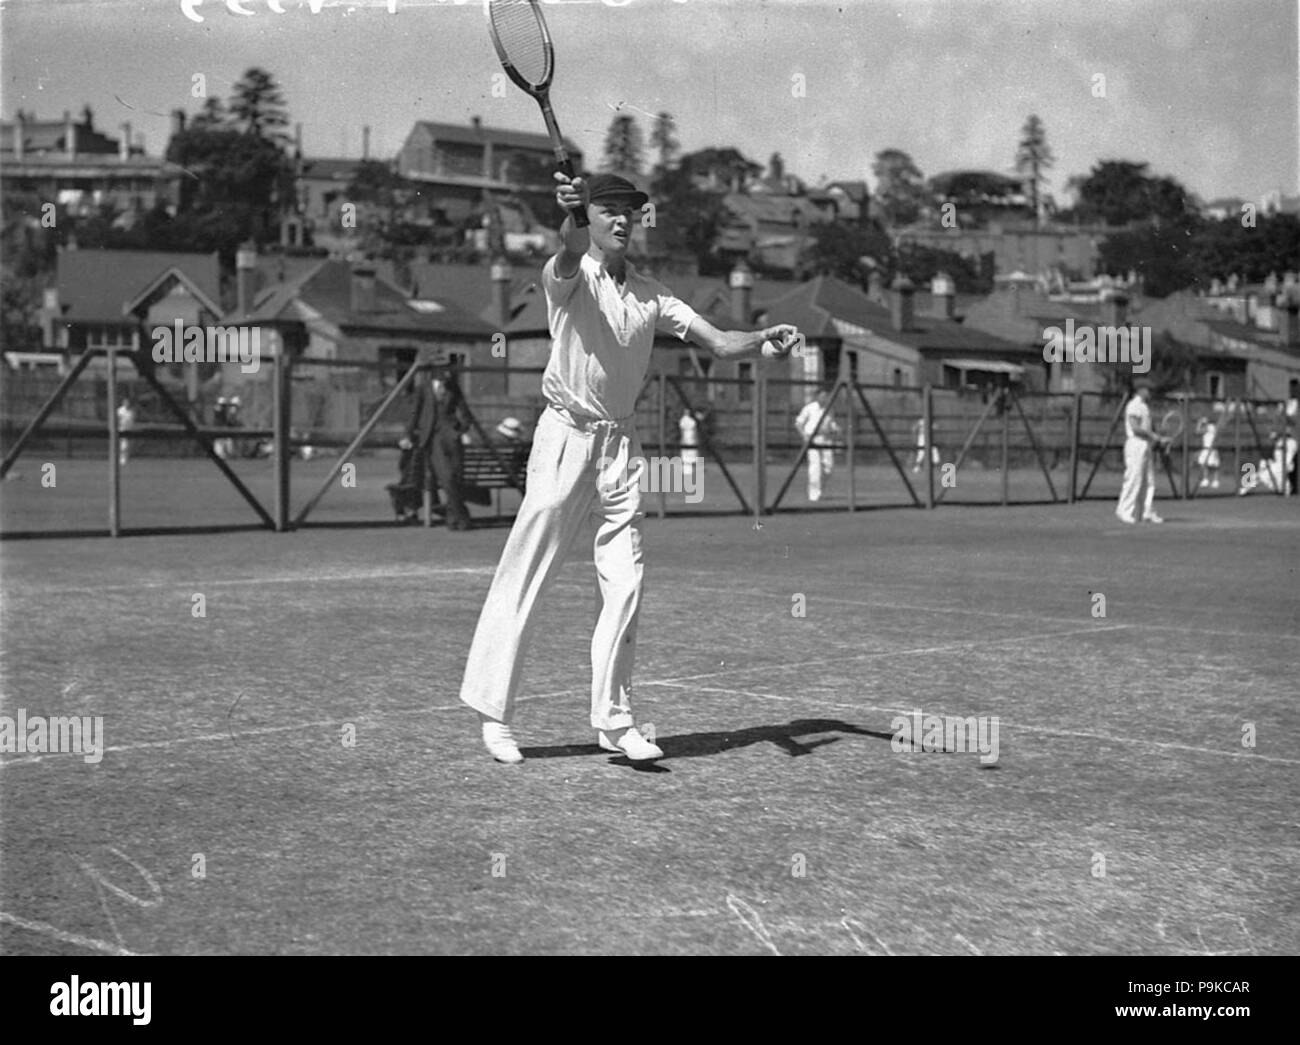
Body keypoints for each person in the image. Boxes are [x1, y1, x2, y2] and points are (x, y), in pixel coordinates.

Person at [458, 171, 800, 764]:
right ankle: (494, 715)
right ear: (588, 218)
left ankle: (614, 721)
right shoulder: (566, 275)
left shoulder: (652, 293)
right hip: (563, 438)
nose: (620, 221)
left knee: (626, 581)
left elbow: (718, 342)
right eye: (607, 211)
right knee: (528, 571)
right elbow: (566, 251)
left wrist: (764, 339)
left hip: (620, 449)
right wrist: (566, 217)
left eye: (629, 212)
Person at [399, 366, 473, 530]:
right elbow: (414, 413)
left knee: (455, 477)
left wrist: (461, 430)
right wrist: (407, 435)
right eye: (443, 376)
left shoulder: (453, 388)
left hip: (452, 438)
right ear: (436, 375)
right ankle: (462, 517)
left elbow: (464, 410)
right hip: (433, 439)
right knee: (446, 477)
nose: (446, 379)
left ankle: (453, 519)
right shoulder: (423, 389)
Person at [1116, 378, 1167, 524]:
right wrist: (1153, 436)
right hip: (1135, 445)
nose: (1150, 392)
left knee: (1149, 481)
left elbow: (1147, 429)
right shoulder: (1134, 405)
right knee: (1133, 478)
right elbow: (1135, 427)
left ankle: (1147, 511)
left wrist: (1157, 438)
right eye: (1148, 389)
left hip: (1145, 445)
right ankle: (1124, 510)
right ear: (1141, 390)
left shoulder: (1145, 407)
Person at [795, 388, 839, 501]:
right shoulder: (809, 408)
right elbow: (799, 423)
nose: (824, 398)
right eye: (822, 396)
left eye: (826, 396)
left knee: (828, 467)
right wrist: (804, 435)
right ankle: (814, 495)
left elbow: (831, 423)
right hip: (813, 439)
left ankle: (819, 489)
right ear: (817, 397)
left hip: (826, 439)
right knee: (815, 467)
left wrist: (836, 429)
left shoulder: (829, 409)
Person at [1238, 430, 1298, 495]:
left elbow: (1288, 453)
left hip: (1285, 465)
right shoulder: (1280, 442)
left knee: (1261, 476)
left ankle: (1286, 489)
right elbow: (1277, 452)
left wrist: (1277, 437)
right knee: (1263, 467)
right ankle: (1285, 489)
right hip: (1278, 465)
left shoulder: (1292, 442)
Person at [1195, 414, 1221, 489]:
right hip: (1207, 448)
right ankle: (1206, 480)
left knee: (1214, 465)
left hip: (1210, 449)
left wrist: (1200, 422)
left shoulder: (1210, 427)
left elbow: (1197, 431)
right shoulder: (1211, 427)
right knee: (1204, 464)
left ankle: (1215, 481)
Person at [678, 407, 699, 485]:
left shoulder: (687, 420)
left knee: (688, 452)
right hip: (688, 437)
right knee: (688, 452)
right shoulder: (686, 420)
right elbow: (683, 430)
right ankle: (687, 469)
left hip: (688, 437)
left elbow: (684, 430)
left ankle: (688, 469)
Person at [116, 395, 136, 467]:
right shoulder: (119, 411)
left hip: (129, 430)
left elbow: (132, 420)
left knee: (127, 445)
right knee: (123, 445)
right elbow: (117, 420)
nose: (127, 403)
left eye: (128, 402)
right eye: (126, 402)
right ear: (123, 403)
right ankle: (122, 460)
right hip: (121, 429)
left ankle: (126, 459)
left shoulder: (132, 411)